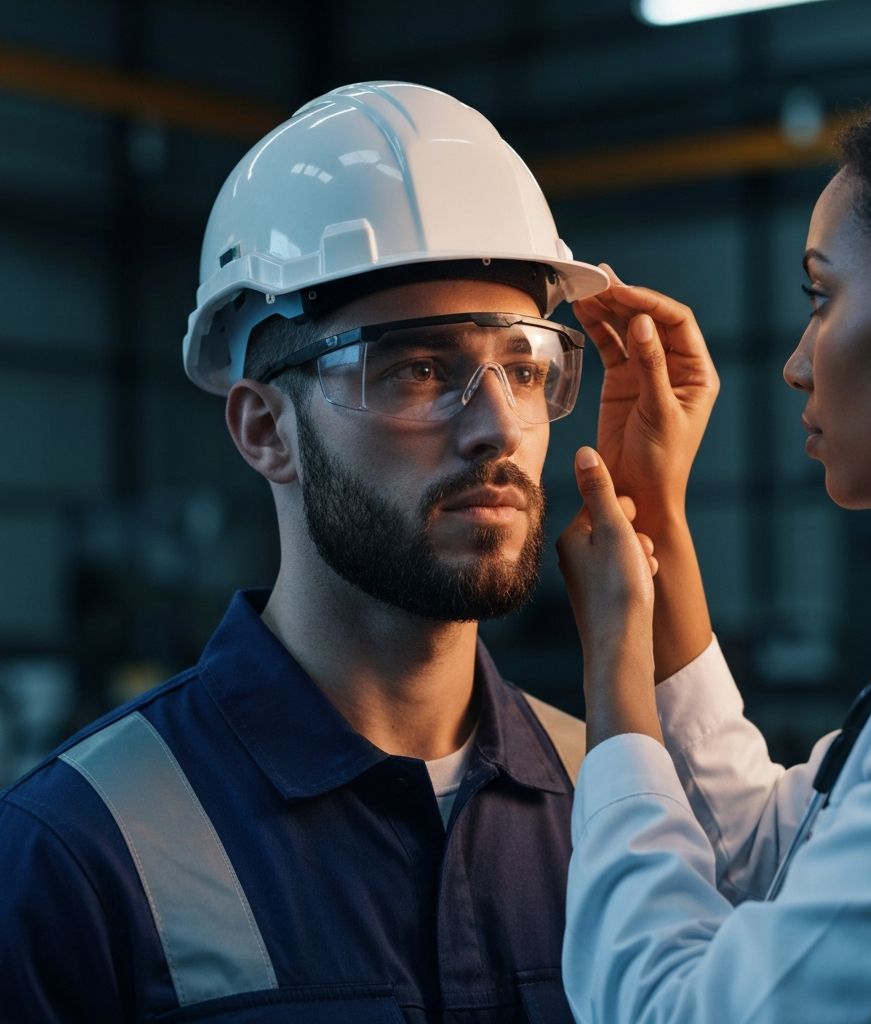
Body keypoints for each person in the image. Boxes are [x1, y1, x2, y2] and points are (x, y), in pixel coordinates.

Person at [0, 81, 626, 1023]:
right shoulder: (82, 852)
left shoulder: (615, 804)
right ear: (266, 431)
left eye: (526, 368)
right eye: (419, 368)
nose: (499, 428)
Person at [556, 59, 871, 1023]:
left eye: (821, 297)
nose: (796, 365)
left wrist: (613, 666)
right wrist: (656, 515)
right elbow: (778, 851)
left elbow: (684, 1012)